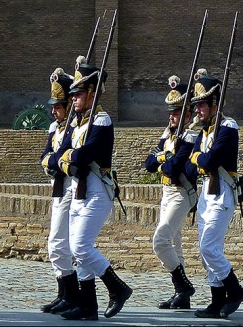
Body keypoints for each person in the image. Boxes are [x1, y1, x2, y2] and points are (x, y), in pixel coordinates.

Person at [56, 63, 133, 321]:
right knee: (77, 249)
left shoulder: (101, 120)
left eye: (78, 94)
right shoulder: (77, 123)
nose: (73, 98)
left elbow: (84, 154)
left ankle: (117, 287)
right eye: (73, 94)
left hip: (97, 190)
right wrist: (68, 158)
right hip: (79, 190)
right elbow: (61, 154)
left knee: (80, 245)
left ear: (91, 93)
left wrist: (69, 158)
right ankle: (88, 305)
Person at [189, 72, 243, 318]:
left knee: (209, 247)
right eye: (197, 105)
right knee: (207, 251)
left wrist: (201, 159)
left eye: (202, 104)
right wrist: (201, 159)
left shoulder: (228, 126)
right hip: (206, 194)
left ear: (214, 104)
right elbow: (193, 158)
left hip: (222, 192)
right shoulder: (205, 131)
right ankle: (217, 300)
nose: (198, 110)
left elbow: (210, 159)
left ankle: (234, 290)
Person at [144, 75, 199, 309]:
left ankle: (184, 285)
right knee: (174, 244)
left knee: (161, 239)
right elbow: (149, 164)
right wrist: (164, 158)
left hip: (182, 192)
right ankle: (181, 295)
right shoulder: (168, 134)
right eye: (170, 112)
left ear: (187, 114)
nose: (171, 116)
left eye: (176, 113)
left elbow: (175, 166)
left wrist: (164, 160)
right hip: (166, 191)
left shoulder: (190, 135)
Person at [39, 68, 77, 314]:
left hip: (70, 188)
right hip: (57, 186)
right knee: (56, 243)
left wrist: (53, 161)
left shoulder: (74, 128)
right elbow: (46, 157)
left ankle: (71, 294)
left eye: (59, 106)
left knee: (61, 244)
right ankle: (64, 292)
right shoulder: (56, 128)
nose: (54, 111)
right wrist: (52, 161)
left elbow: (63, 158)